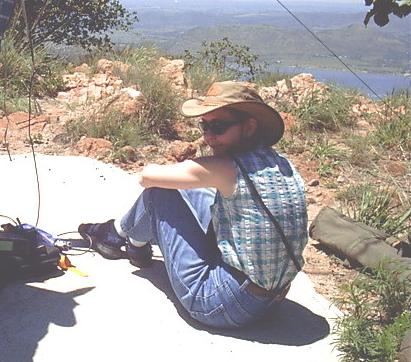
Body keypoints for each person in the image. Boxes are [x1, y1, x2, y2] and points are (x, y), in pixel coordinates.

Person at [78, 81, 308, 329]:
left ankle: (128, 241)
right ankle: (122, 236)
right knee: (197, 190)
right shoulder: (281, 163)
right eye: (204, 126)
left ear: (249, 127)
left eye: (218, 127)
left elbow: (147, 176)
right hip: (271, 298)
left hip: (224, 305)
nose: (208, 136)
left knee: (159, 193)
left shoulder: (227, 168)